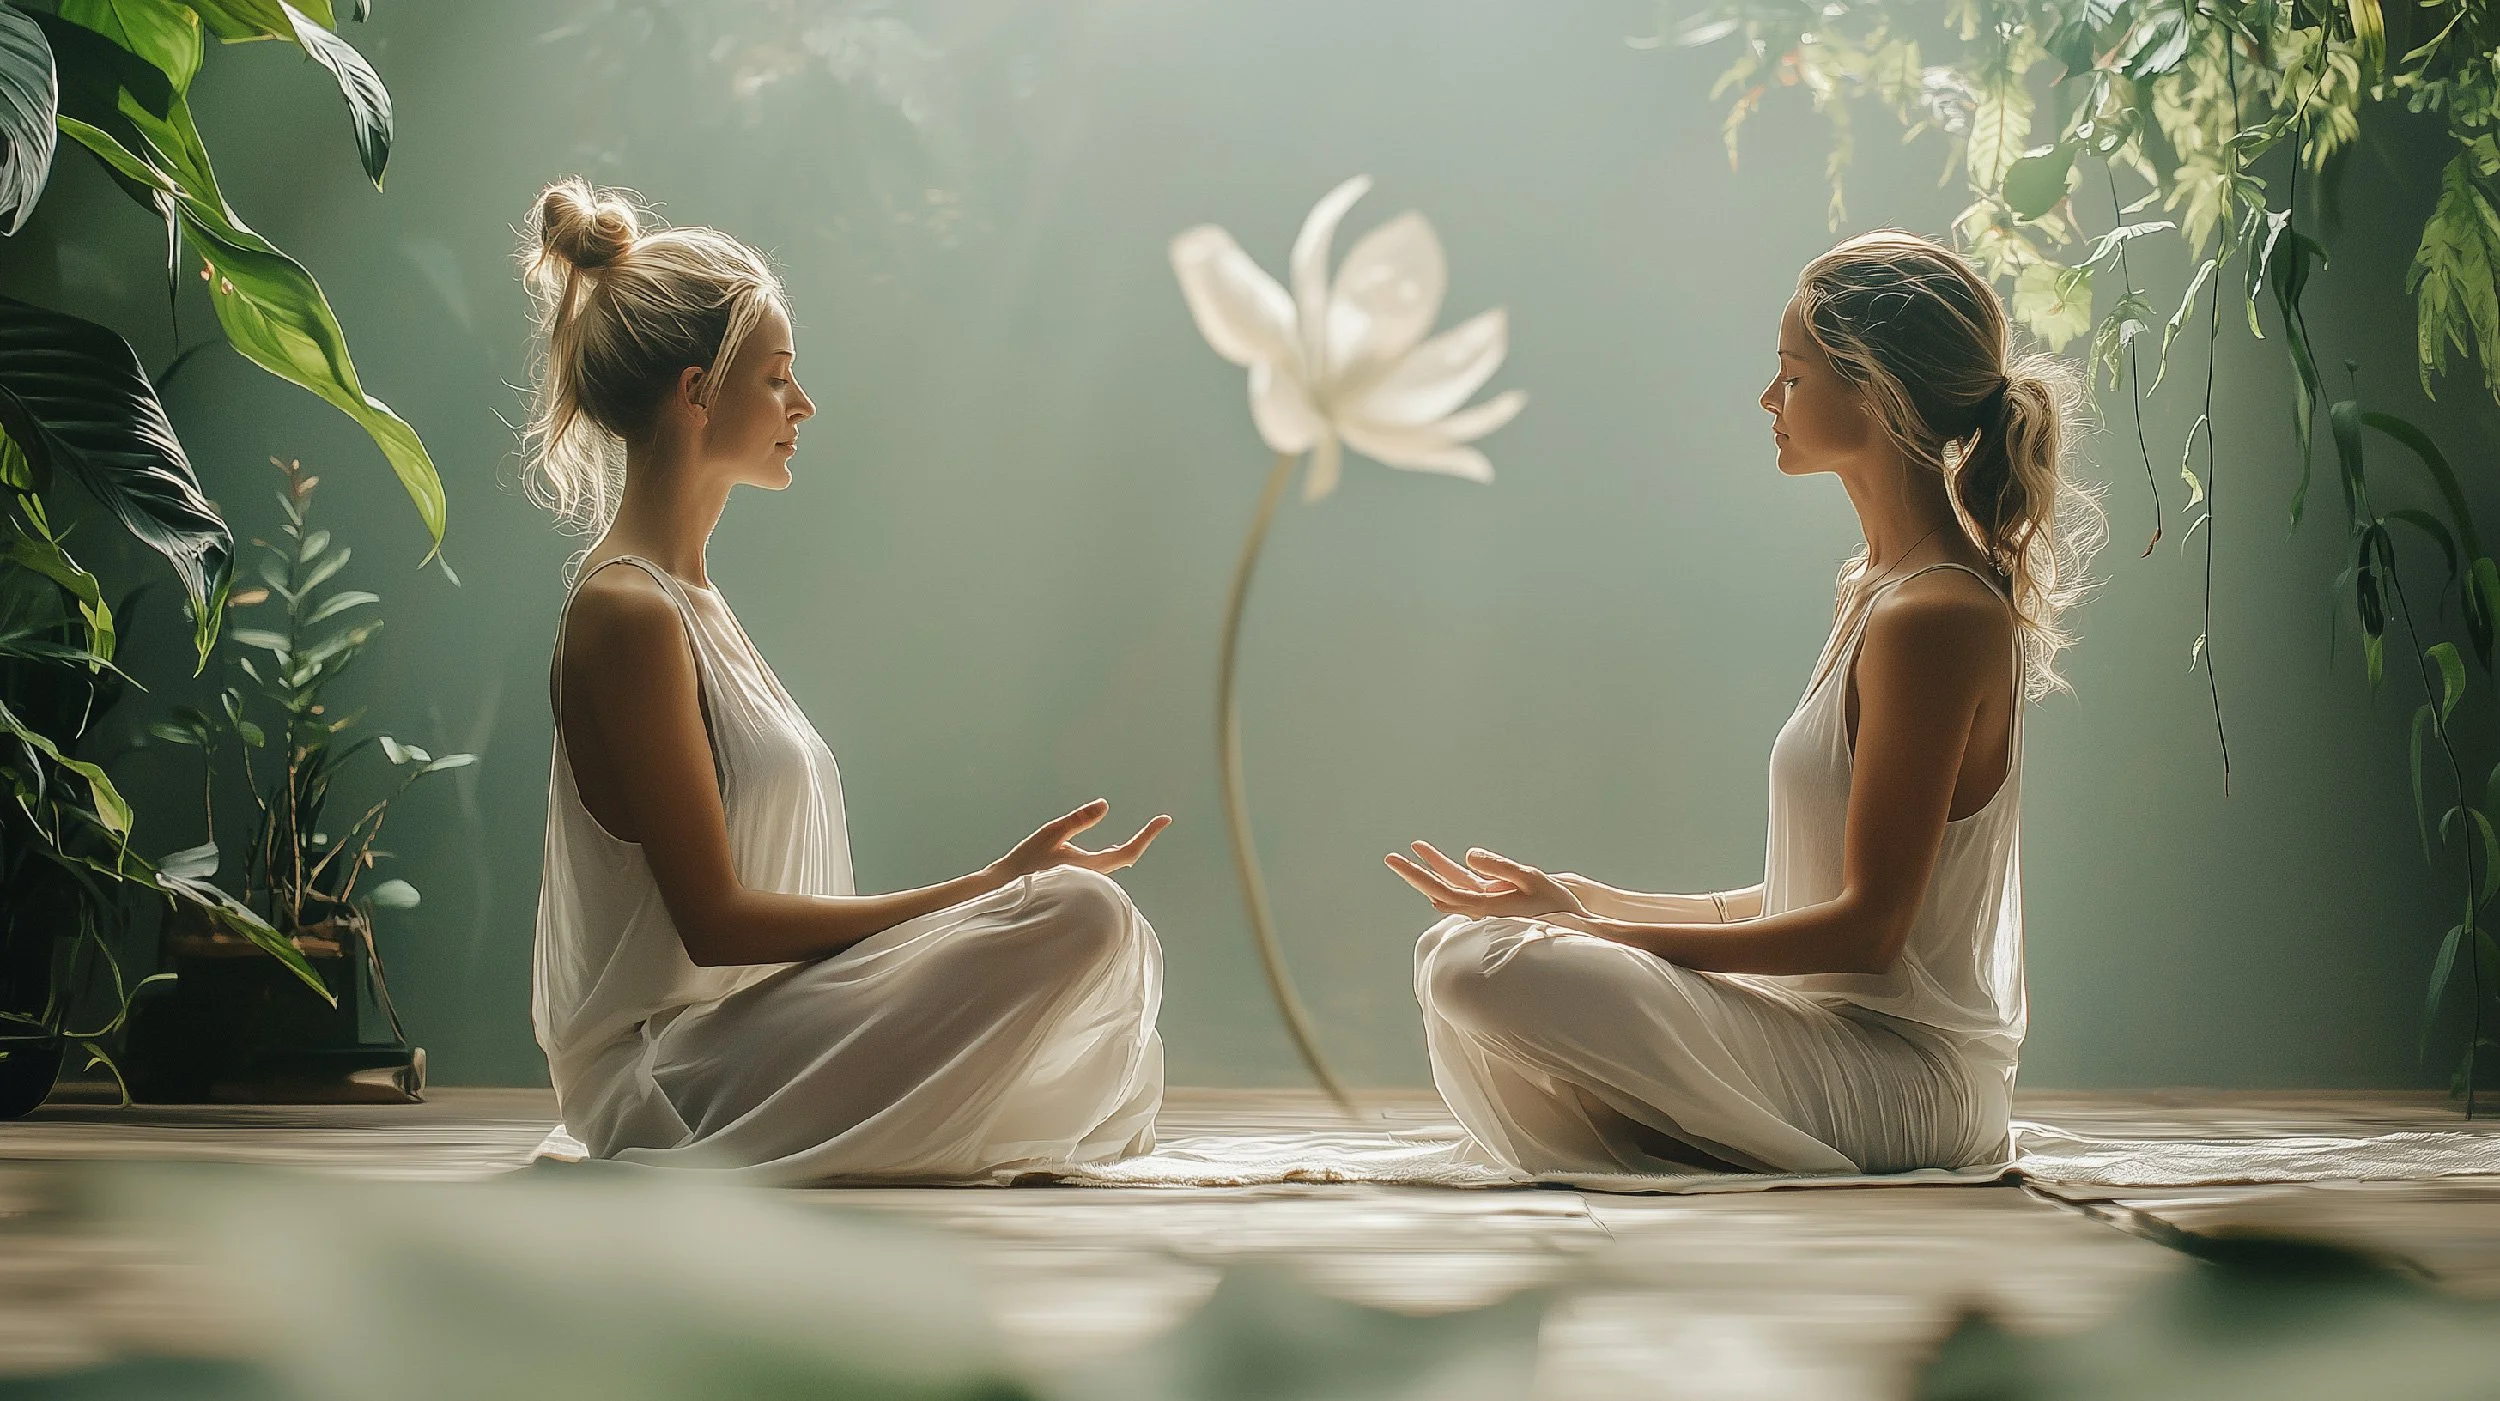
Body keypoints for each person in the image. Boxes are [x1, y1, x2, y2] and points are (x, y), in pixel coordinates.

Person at [1390, 230, 2102, 1177]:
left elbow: (1869, 930)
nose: (1770, 400)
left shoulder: (1937, 613)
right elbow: (1801, 896)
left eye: (1793, 375)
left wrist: (1592, 937)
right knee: (1465, 944)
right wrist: (1576, 898)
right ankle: (1669, 1126)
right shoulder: (1877, 588)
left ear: (1875, 391)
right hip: (1821, 1044)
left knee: (1485, 969)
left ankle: (1668, 1127)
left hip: (1908, 1082)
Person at [522, 178, 1169, 1184]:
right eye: (777, 378)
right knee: (1075, 918)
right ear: (697, 394)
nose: (803, 404)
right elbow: (717, 923)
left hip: (758, 1037)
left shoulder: (694, 608)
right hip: (671, 1080)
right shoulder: (629, 616)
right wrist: (989, 889)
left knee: (1090, 920)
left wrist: (988, 907)